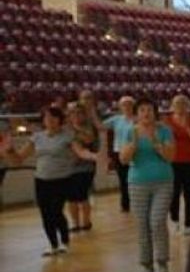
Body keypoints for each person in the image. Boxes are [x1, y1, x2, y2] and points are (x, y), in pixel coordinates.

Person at [5, 106, 95, 257]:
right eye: (46, 117)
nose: (50, 120)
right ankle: (53, 245)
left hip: (62, 179)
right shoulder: (37, 137)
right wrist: (9, 150)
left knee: (56, 211)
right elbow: (18, 159)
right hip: (42, 180)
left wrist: (94, 156)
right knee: (45, 214)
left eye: (53, 117)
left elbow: (80, 152)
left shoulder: (68, 136)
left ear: (59, 120)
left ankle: (64, 242)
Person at [120, 100, 176, 272]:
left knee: (157, 221)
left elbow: (170, 156)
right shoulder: (130, 131)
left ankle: (162, 261)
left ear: (155, 113)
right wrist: (133, 146)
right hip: (138, 183)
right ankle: (146, 264)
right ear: (137, 114)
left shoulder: (164, 130)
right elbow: (123, 159)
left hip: (163, 181)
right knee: (142, 224)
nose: (146, 113)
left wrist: (156, 142)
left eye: (149, 110)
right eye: (142, 110)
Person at [164, 95, 190, 236]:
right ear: (172, 105)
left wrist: (187, 127)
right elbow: (163, 140)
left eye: (182, 103)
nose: (180, 106)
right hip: (173, 161)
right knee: (173, 194)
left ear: (188, 105)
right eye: (177, 103)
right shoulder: (167, 121)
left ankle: (189, 224)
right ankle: (174, 220)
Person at [65, 102, 101, 233]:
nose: (76, 116)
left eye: (79, 113)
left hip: (85, 167)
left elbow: (88, 140)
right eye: (73, 113)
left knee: (82, 195)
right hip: (68, 167)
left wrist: (75, 130)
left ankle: (86, 222)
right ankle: (75, 223)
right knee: (71, 197)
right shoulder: (66, 129)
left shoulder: (89, 128)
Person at [104, 95, 137, 213]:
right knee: (123, 179)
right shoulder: (116, 119)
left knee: (135, 179)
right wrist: (91, 113)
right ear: (120, 107)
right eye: (124, 105)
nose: (127, 107)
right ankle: (125, 205)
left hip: (135, 152)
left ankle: (138, 202)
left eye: (129, 104)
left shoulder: (138, 119)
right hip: (119, 152)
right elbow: (100, 126)